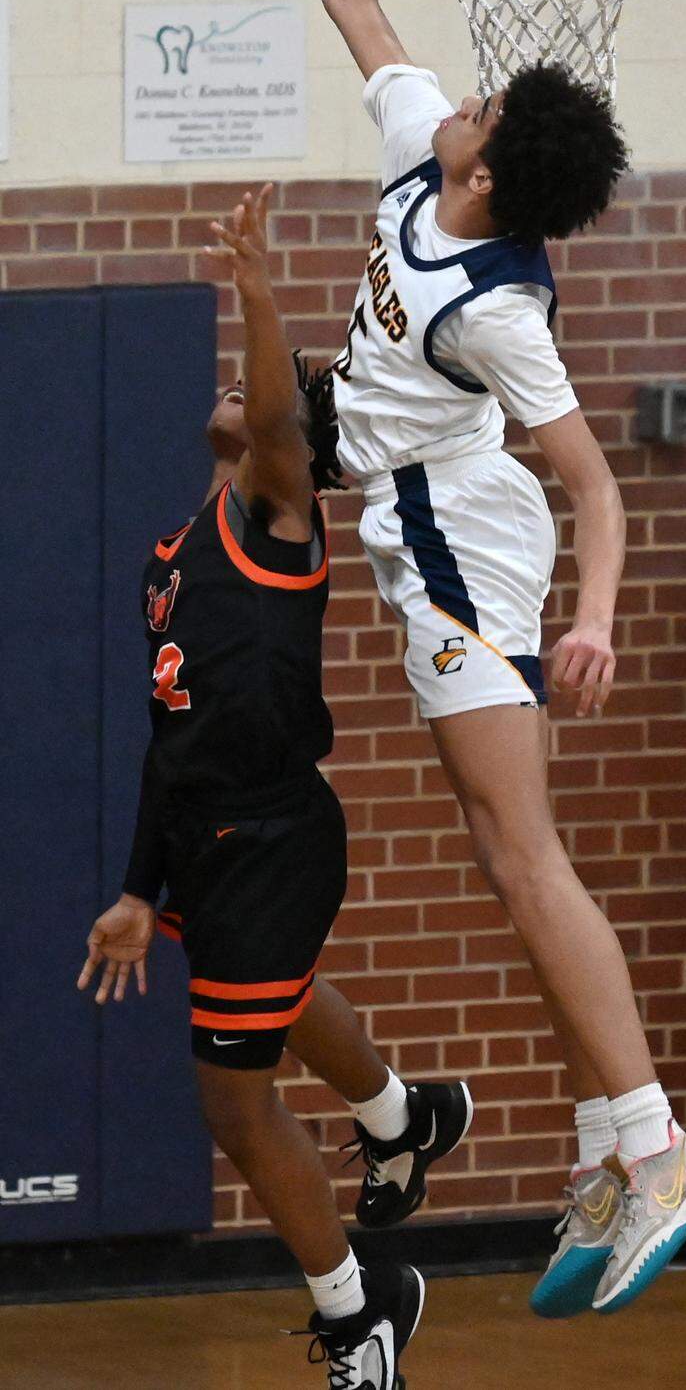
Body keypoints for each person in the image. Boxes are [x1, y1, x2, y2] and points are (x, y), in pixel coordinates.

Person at [245, 0, 686, 1318]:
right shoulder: (424, 158)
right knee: (499, 844)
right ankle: (609, 1135)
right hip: (404, 504)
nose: (459, 99)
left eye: (481, 110)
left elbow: (592, 479)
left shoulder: (503, 308)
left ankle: (657, 1138)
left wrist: (590, 620)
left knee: (522, 849)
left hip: (466, 534)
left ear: (486, 172)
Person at [77, 186, 473, 1389]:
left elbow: (275, 419)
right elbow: (167, 741)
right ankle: (403, 1115)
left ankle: (361, 1311)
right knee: (285, 1005)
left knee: (235, 1111)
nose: (240, 389)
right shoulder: (173, 554)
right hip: (208, 838)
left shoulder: (278, 514)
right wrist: (137, 889)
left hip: (273, 835)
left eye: (265, 387)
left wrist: (257, 290)